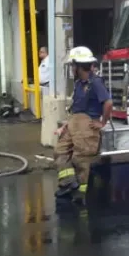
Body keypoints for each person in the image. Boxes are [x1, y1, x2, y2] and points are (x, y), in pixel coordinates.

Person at [54, 46, 112, 205]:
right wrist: (66, 124)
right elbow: (77, 106)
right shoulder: (80, 83)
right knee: (59, 151)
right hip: (74, 123)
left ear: (79, 66)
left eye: (73, 65)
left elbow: (108, 102)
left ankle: (80, 192)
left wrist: (102, 122)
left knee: (81, 159)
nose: (71, 68)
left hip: (87, 125)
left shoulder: (96, 82)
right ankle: (68, 183)